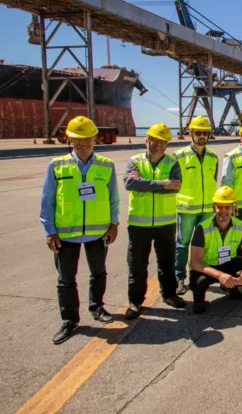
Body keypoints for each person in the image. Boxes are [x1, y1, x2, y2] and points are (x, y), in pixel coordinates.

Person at [40, 116, 119, 344]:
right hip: (65, 234)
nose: (82, 143)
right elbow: (47, 200)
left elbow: (113, 197)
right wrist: (50, 231)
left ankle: (97, 307)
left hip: (98, 232)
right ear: (69, 139)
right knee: (66, 279)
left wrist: (114, 224)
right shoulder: (56, 165)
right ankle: (69, 319)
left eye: (87, 138)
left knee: (98, 272)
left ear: (95, 139)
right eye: (77, 139)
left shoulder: (106, 165)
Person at [123, 123, 186, 319]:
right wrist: (161, 184)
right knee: (137, 265)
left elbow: (176, 186)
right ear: (147, 140)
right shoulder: (135, 161)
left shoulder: (172, 163)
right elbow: (130, 183)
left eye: (163, 142)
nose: (158, 145)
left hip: (165, 223)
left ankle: (169, 294)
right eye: (155, 141)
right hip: (139, 223)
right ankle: (135, 301)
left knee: (167, 262)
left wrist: (145, 184)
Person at [189, 186, 242, 314]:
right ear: (214, 208)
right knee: (198, 282)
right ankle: (199, 299)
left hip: (228, 264)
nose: (223, 211)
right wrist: (220, 275)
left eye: (227, 207)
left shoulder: (240, 226)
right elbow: (195, 263)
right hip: (207, 267)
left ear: (233, 209)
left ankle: (231, 286)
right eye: (220, 207)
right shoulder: (202, 228)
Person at [173, 116, 219, 295]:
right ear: (190, 133)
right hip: (186, 209)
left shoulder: (213, 157)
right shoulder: (178, 156)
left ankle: (200, 275)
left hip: (207, 209)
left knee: (204, 245)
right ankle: (179, 277)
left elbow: (213, 181)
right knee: (183, 244)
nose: (201, 136)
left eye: (205, 133)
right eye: (198, 132)